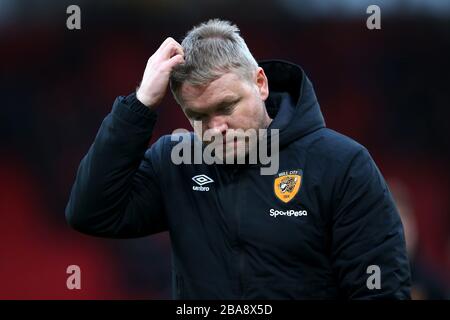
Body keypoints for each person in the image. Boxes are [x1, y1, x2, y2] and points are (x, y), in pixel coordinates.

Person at [65, 19, 411, 299]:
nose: (216, 128)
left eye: (227, 107)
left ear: (260, 83)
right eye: (198, 116)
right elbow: (90, 213)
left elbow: (380, 291)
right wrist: (139, 105)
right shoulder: (176, 163)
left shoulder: (342, 164)